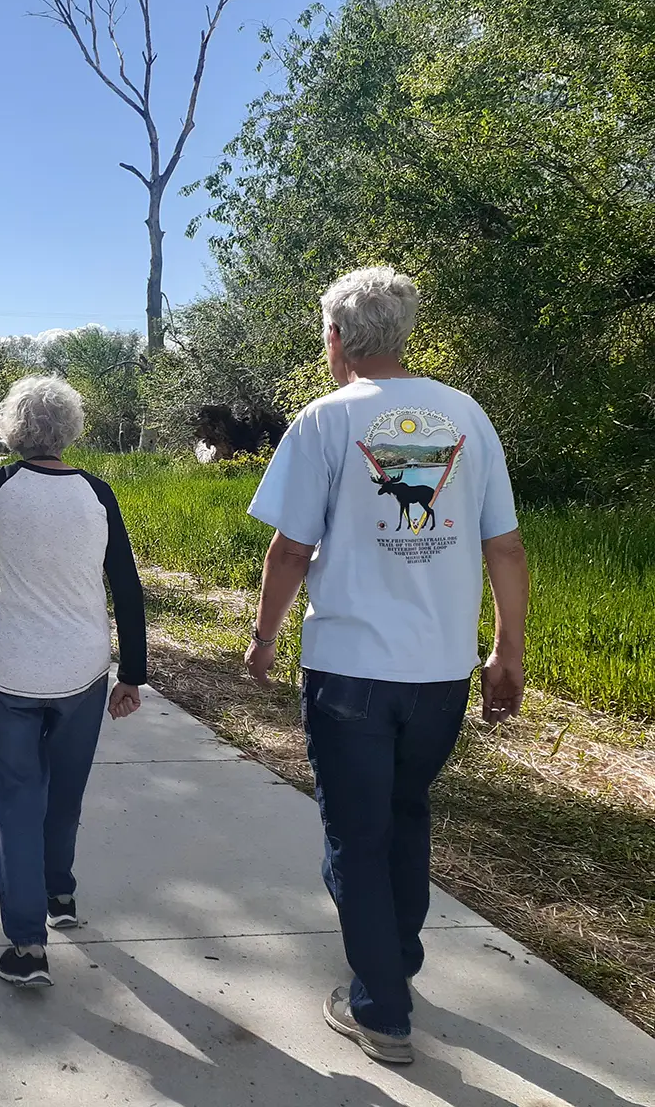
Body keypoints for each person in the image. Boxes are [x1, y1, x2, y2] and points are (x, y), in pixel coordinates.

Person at [243, 266, 529, 1065]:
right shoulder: (468, 416)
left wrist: (264, 636)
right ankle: (395, 963)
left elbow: (292, 548)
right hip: (439, 674)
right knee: (405, 815)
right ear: (404, 335)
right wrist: (506, 652)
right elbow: (503, 546)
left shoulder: (325, 422)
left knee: (356, 835)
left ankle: (381, 1009)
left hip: (350, 672)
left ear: (335, 339)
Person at [0, 375, 148, 989]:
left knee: (17, 800)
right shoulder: (97, 493)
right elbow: (127, 588)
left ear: (13, 432)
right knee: (64, 794)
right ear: (71, 430)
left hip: (6, 671)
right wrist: (133, 674)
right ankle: (61, 894)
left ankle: (28, 947)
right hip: (82, 674)